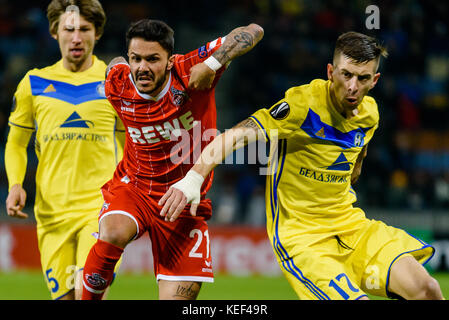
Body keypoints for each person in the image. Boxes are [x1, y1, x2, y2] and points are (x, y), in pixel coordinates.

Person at [159, 31, 445, 300]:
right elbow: (234, 137)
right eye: (346, 75)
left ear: (375, 80)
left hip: (351, 226)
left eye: (362, 78)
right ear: (331, 72)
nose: (353, 86)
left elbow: (358, 157)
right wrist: (194, 178)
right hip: (303, 238)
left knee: (426, 289)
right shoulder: (302, 105)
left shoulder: (370, 113)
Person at [81, 19, 264, 300]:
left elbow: (253, 31)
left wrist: (213, 64)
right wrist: (120, 62)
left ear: (169, 61)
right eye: (136, 58)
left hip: (186, 199)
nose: (142, 67)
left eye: (153, 59)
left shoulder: (188, 71)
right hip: (135, 188)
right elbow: (115, 64)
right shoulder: (117, 84)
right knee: (114, 232)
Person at [5, 0, 125, 300]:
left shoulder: (113, 81)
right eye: (68, 29)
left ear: (97, 34)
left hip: (99, 209)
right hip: (51, 214)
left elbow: (127, 142)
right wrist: (16, 185)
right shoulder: (33, 83)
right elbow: (17, 143)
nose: (76, 37)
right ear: (53, 32)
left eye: (85, 29)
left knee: (90, 293)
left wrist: (128, 191)